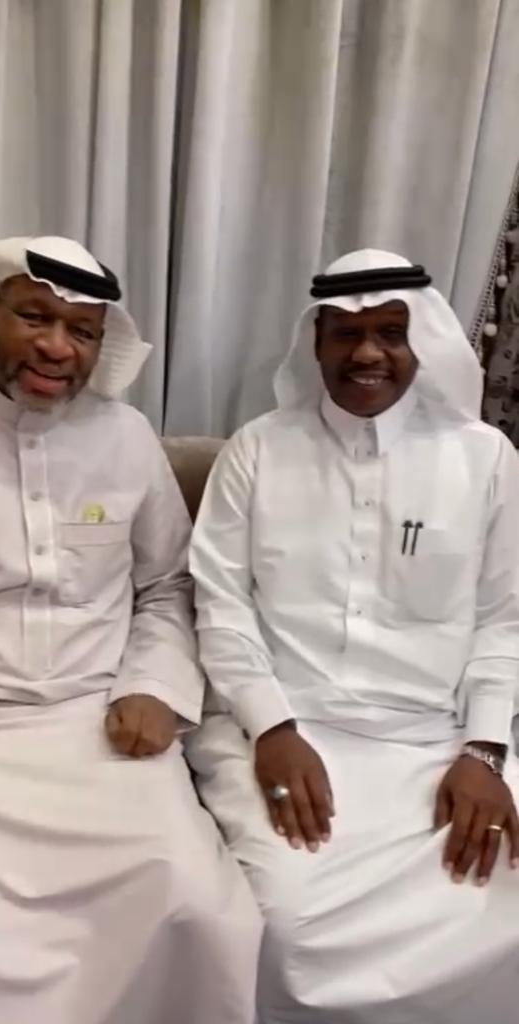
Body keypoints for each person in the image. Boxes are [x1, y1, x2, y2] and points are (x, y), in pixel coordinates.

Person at [0, 236, 261, 1024]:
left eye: (81, 331)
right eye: (35, 317)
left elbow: (169, 585)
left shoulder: (128, 439)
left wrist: (154, 684)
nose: (56, 346)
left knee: (201, 913)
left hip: (101, 726)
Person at [187, 249, 519, 1023]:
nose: (368, 352)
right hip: (285, 734)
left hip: (440, 741)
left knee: (501, 896)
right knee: (282, 926)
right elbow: (221, 607)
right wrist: (273, 729)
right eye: (346, 333)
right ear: (316, 342)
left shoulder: (485, 459)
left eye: (390, 332)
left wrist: (483, 753)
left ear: (419, 341)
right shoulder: (257, 450)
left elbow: (504, 618)